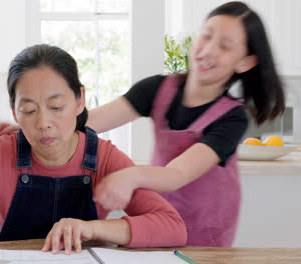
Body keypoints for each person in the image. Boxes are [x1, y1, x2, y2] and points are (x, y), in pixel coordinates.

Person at [0, 44, 187, 256]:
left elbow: (172, 227)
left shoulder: (104, 157)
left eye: (56, 107)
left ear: (79, 101)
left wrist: (92, 229)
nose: (44, 123)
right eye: (29, 110)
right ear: (14, 113)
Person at [88, 1, 285, 247]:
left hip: (205, 234)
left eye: (224, 46)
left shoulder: (232, 118)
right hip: (159, 221)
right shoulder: (156, 89)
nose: (209, 50)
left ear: (244, 62)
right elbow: (91, 121)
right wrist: (35, 120)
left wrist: (130, 176)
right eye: (207, 35)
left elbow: (178, 173)